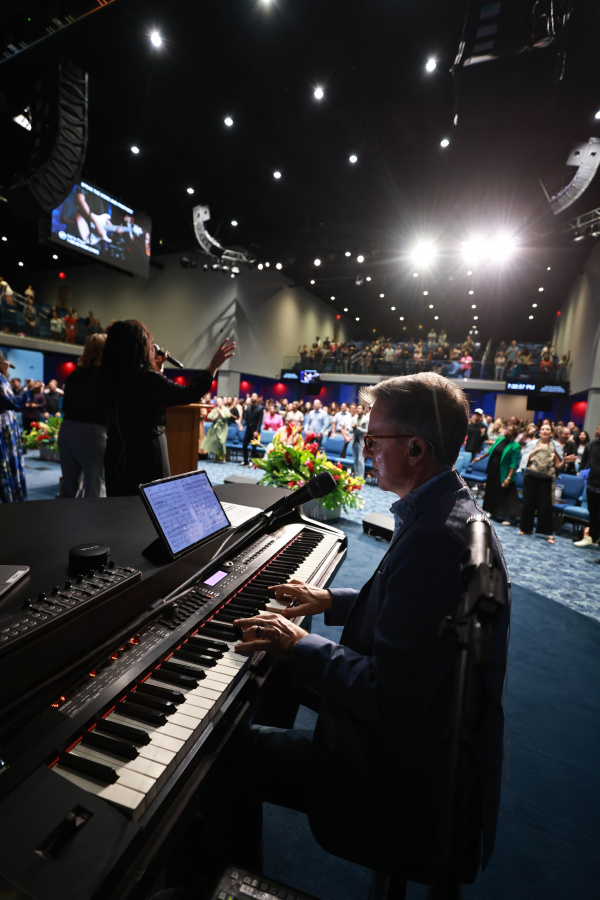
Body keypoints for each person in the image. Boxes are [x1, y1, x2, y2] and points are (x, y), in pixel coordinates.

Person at [232, 372, 510, 886]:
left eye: (373, 439)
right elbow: (415, 614)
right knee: (279, 674)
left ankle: (222, 883)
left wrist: (302, 643)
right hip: (425, 737)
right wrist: (329, 600)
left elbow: (391, 696)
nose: (365, 450)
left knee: (225, 755)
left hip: (402, 777)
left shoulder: (436, 538)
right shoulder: (447, 508)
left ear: (415, 449)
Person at [101, 320, 235, 495]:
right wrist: (213, 366)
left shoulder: (108, 377)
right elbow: (190, 394)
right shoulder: (148, 379)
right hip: (146, 452)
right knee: (151, 500)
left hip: (116, 450)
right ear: (141, 347)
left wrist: (156, 369)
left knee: (119, 501)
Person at [57, 334, 108, 498]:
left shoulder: (74, 375)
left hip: (67, 430)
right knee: (95, 488)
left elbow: (65, 406)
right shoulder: (107, 376)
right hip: (93, 433)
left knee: (68, 489)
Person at [519, 423, 563, 543]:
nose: (544, 431)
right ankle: (525, 528)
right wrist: (535, 450)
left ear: (551, 432)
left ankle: (546, 532)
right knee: (528, 503)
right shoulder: (533, 443)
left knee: (546, 506)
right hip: (531, 475)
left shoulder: (556, 446)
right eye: (542, 429)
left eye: (547, 429)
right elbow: (526, 460)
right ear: (540, 431)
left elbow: (558, 465)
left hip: (546, 477)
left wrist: (559, 456)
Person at [472, 424, 521, 525]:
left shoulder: (516, 446)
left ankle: (509, 518)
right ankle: (492, 511)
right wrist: (479, 458)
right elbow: (490, 451)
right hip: (493, 468)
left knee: (506, 494)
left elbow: (513, 463)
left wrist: (508, 478)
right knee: (492, 490)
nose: (507, 431)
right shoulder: (500, 439)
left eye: (510, 431)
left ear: (514, 434)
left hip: (504, 471)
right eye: (507, 429)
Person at [0, 351, 27, 502]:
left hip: (5, 424)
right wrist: (28, 392)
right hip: (2, 426)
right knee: (5, 461)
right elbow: (11, 402)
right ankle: (9, 499)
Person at [574, 424, 600, 547]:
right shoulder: (593, 444)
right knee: (592, 512)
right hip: (592, 484)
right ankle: (592, 538)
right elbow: (587, 462)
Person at [201, 396, 232, 462]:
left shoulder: (225, 409)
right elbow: (210, 417)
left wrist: (220, 411)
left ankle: (223, 457)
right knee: (215, 442)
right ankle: (216, 457)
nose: (217, 403)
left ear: (222, 402)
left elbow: (226, 416)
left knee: (222, 442)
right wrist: (217, 414)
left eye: (218, 401)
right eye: (216, 402)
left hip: (223, 428)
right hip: (215, 427)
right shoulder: (215, 409)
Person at [239, 392, 263, 467]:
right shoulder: (248, 407)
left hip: (255, 430)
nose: (253, 397)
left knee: (254, 447)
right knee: (244, 445)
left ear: (257, 399)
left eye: (255, 396)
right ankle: (245, 461)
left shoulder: (260, 408)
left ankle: (252, 461)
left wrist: (257, 431)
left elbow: (260, 421)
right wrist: (242, 425)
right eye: (252, 396)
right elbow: (245, 418)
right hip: (248, 429)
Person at [351, 402, 369, 477]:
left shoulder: (366, 419)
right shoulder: (354, 418)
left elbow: (367, 431)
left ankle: (360, 478)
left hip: (362, 442)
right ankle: (356, 477)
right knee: (355, 460)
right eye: (357, 408)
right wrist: (352, 428)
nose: (358, 410)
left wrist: (357, 428)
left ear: (363, 410)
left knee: (360, 460)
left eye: (359, 408)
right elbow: (351, 431)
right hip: (354, 441)